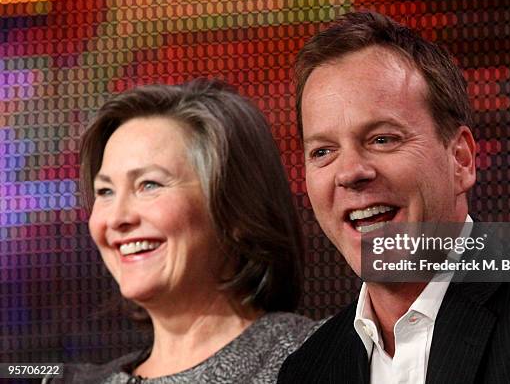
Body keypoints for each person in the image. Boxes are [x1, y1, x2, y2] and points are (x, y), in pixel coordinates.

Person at [278, 11, 510, 383]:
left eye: (383, 139)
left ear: (461, 159)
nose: (350, 172)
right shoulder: (307, 370)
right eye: (323, 151)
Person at [54, 79, 315, 383]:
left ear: (236, 210)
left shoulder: (317, 358)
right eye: (105, 191)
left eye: (149, 185)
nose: (116, 218)